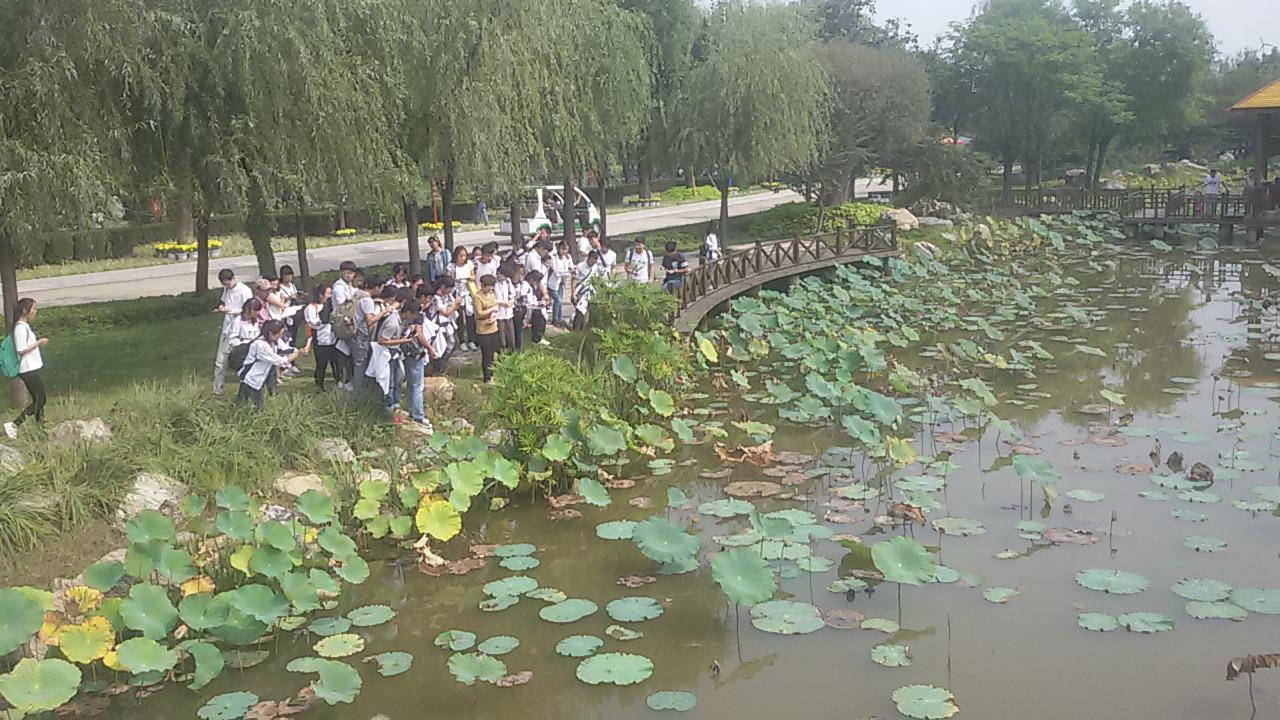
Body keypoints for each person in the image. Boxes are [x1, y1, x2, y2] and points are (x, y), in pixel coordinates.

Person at [236, 320, 310, 410]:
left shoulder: (273, 341)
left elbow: (285, 349)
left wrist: (299, 350)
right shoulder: (260, 345)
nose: (281, 336)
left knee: (251, 407)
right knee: (248, 407)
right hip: (250, 380)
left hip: (258, 380)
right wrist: (298, 354)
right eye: (280, 333)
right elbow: (279, 361)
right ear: (271, 333)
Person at [4, 299, 48, 438]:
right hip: (27, 369)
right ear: (25, 311)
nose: (35, 311)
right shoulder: (20, 328)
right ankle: (14, 424)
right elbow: (20, 349)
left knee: (38, 399)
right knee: (41, 399)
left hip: (31, 367)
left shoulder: (24, 326)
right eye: (33, 309)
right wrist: (38, 343)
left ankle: (40, 428)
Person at [367, 291, 410, 422]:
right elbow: (382, 340)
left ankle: (395, 405)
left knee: (397, 380)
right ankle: (388, 409)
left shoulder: (400, 320)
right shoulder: (393, 322)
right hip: (386, 354)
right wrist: (403, 341)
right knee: (388, 382)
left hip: (394, 353)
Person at [213, 269, 253, 395]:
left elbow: (250, 309)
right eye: (224, 285)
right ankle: (217, 389)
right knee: (220, 361)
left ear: (233, 279)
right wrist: (221, 308)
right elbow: (223, 302)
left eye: (228, 284)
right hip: (227, 329)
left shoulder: (244, 290)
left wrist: (235, 311)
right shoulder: (226, 290)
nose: (227, 286)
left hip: (241, 330)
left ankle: (247, 388)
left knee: (242, 361)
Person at [305, 283, 340, 390]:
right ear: (321, 295)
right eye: (328, 293)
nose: (330, 296)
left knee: (336, 363)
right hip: (321, 340)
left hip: (333, 339)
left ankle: (339, 382)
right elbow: (311, 323)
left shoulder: (333, 306)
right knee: (321, 364)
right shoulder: (312, 307)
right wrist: (323, 320)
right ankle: (319, 385)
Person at [330, 261, 359, 389]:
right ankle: (343, 380)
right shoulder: (339, 288)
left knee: (349, 352)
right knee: (343, 351)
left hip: (349, 321)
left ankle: (348, 380)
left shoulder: (349, 285)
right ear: (341, 272)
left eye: (351, 273)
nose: (349, 275)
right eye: (346, 272)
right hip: (341, 322)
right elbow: (343, 305)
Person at [470, 274, 502, 383]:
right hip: (483, 329)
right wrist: (491, 310)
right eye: (489, 286)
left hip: (493, 327)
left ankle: (492, 373)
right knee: (487, 354)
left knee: (493, 353)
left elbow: (495, 308)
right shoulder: (477, 297)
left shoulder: (492, 295)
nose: (491, 289)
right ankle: (487, 377)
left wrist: (493, 314)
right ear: (483, 285)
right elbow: (479, 313)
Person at [428, 277, 463, 374]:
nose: (449, 291)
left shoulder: (448, 296)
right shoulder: (435, 298)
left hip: (449, 325)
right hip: (438, 327)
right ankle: (437, 368)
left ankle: (442, 365)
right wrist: (455, 304)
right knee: (440, 348)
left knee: (452, 345)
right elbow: (445, 312)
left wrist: (456, 303)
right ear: (443, 286)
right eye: (448, 288)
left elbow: (453, 307)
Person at [449, 246, 477, 350]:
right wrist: (457, 280)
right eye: (460, 256)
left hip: (467, 292)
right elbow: (448, 279)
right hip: (457, 293)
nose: (463, 258)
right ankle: (461, 341)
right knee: (459, 318)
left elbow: (473, 276)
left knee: (470, 317)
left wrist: (469, 279)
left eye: (464, 255)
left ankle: (471, 340)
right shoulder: (451, 266)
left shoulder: (469, 264)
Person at [572, 250, 604, 331]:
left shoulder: (596, 268)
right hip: (580, 292)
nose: (593, 262)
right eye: (592, 260)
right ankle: (576, 331)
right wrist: (573, 293)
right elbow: (574, 279)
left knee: (588, 313)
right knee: (580, 312)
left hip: (591, 293)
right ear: (588, 258)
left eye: (594, 260)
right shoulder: (580, 266)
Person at [549, 242, 573, 327]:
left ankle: (559, 319)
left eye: (566, 249)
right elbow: (556, 272)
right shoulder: (554, 258)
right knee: (558, 300)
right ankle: (555, 319)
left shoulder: (568, 257)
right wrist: (567, 272)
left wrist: (570, 270)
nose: (565, 251)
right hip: (553, 283)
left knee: (560, 301)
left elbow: (571, 267)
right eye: (563, 249)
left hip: (562, 282)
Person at [524, 269, 551, 346]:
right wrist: (539, 303)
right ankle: (537, 338)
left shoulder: (533, 286)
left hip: (535, 306)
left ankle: (540, 336)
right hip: (530, 307)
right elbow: (528, 300)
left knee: (542, 317)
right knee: (538, 318)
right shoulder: (526, 286)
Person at [494, 264, 517, 350]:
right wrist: (501, 303)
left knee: (511, 338)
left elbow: (513, 293)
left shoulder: (507, 282)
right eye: (503, 276)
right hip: (499, 314)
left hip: (508, 314)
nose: (504, 278)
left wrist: (510, 301)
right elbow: (491, 299)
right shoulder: (493, 283)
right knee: (501, 339)